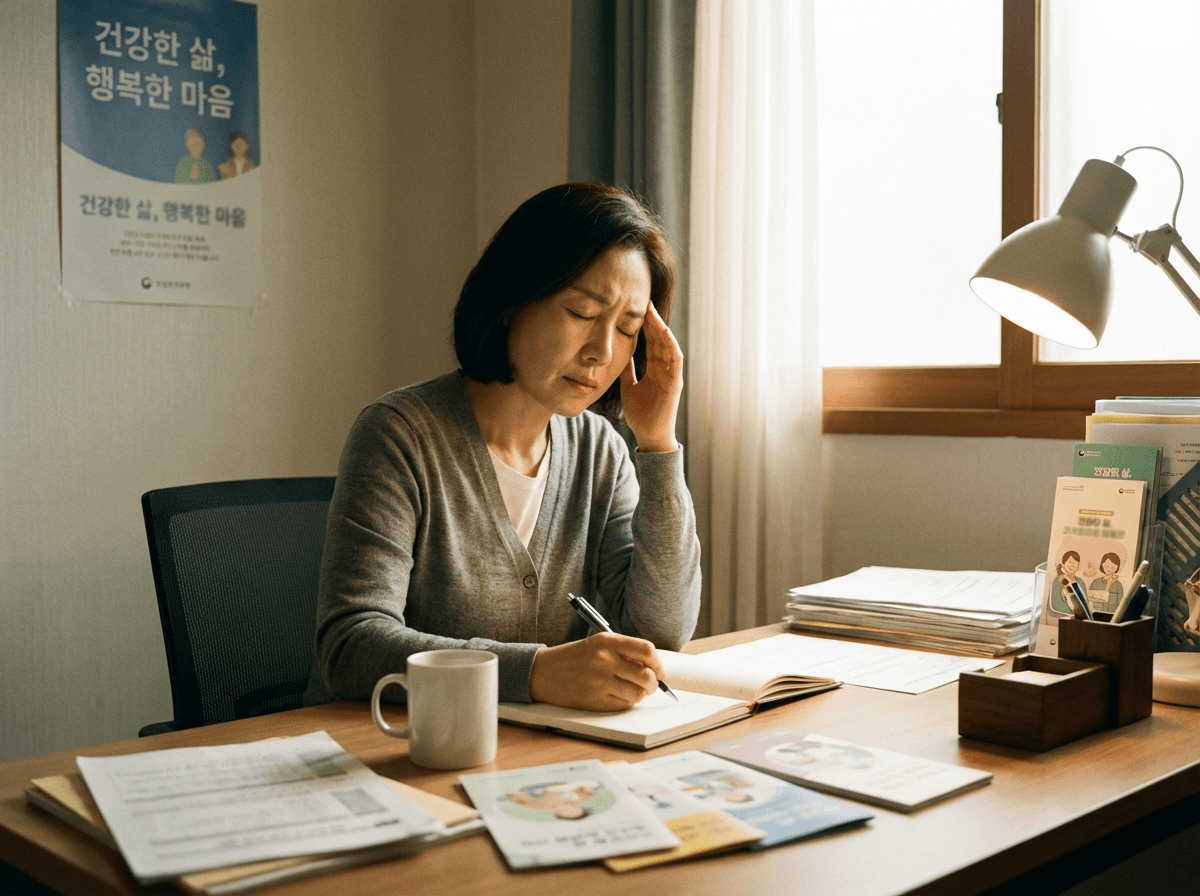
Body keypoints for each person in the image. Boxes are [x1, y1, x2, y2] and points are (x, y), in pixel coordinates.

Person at [305, 183, 701, 713]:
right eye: (583, 313)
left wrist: (657, 444)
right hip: (394, 746)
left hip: (537, 758)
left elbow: (661, 631)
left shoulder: (601, 451)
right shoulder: (400, 434)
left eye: (628, 329)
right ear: (515, 297)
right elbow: (350, 645)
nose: (601, 352)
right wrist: (535, 674)